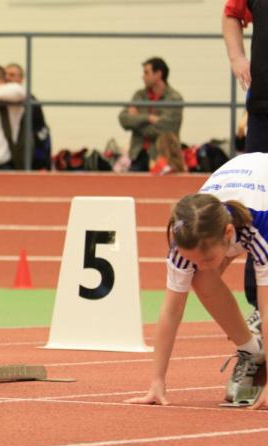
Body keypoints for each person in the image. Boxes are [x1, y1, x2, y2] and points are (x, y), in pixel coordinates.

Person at [126, 152, 268, 409]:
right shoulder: (186, 239)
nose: (200, 265)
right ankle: (251, 350)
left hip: (260, 195)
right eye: (194, 259)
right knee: (200, 276)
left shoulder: (259, 227)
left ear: (228, 234)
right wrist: (157, 381)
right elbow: (171, 311)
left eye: (207, 258)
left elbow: (267, 308)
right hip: (240, 186)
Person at [223, 1, 268, 335]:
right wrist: (237, 58)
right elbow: (231, 14)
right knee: (256, 202)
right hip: (263, 109)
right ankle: (258, 307)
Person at [118, 57, 184, 172]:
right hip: (137, 156)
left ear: (158, 74)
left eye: (146, 73)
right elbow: (123, 119)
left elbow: (167, 129)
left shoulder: (174, 98)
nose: (143, 76)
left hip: (163, 157)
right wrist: (148, 118)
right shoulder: (139, 95)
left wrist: (137, 123)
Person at [3, 62, 51, 170]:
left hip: (25, 153)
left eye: (12, 75)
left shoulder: (30, 101)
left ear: (21, 79)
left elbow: (40, 132)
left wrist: (42, 161)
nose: (8, 78)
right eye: (5, 74)